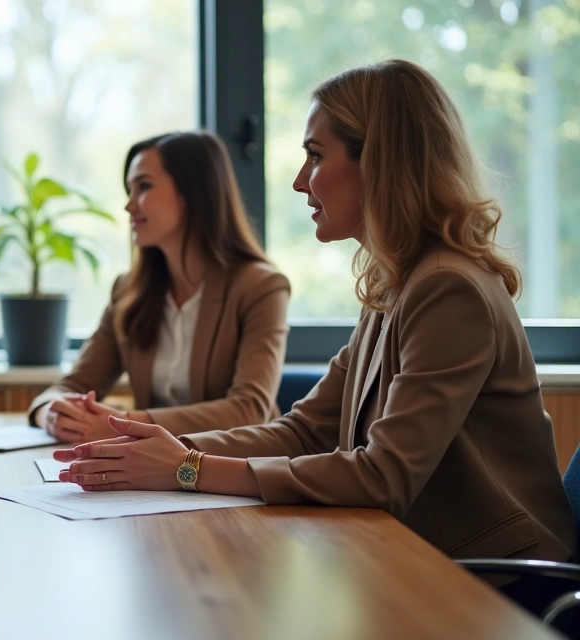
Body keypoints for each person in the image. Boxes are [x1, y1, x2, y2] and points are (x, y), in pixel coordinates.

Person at [55, 61, 576, 575]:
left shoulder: (447, 287)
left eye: (314, 156)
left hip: (503, 578)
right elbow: (305, 431)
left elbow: (383, 476)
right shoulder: (397, 283)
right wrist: (154, 452)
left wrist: (188, 470)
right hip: (419, 556)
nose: (300, 182)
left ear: (379, 162)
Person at [29, 131, 290, 444]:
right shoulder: (129, 291)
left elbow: (249, 410)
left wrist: (124, 423)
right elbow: (72, 385)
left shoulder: (261, 287)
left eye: (144, 186)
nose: (128, 206)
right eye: (129, 189)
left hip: (233, 469)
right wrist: (51, 414)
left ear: (195, 192)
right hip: (153, 476)